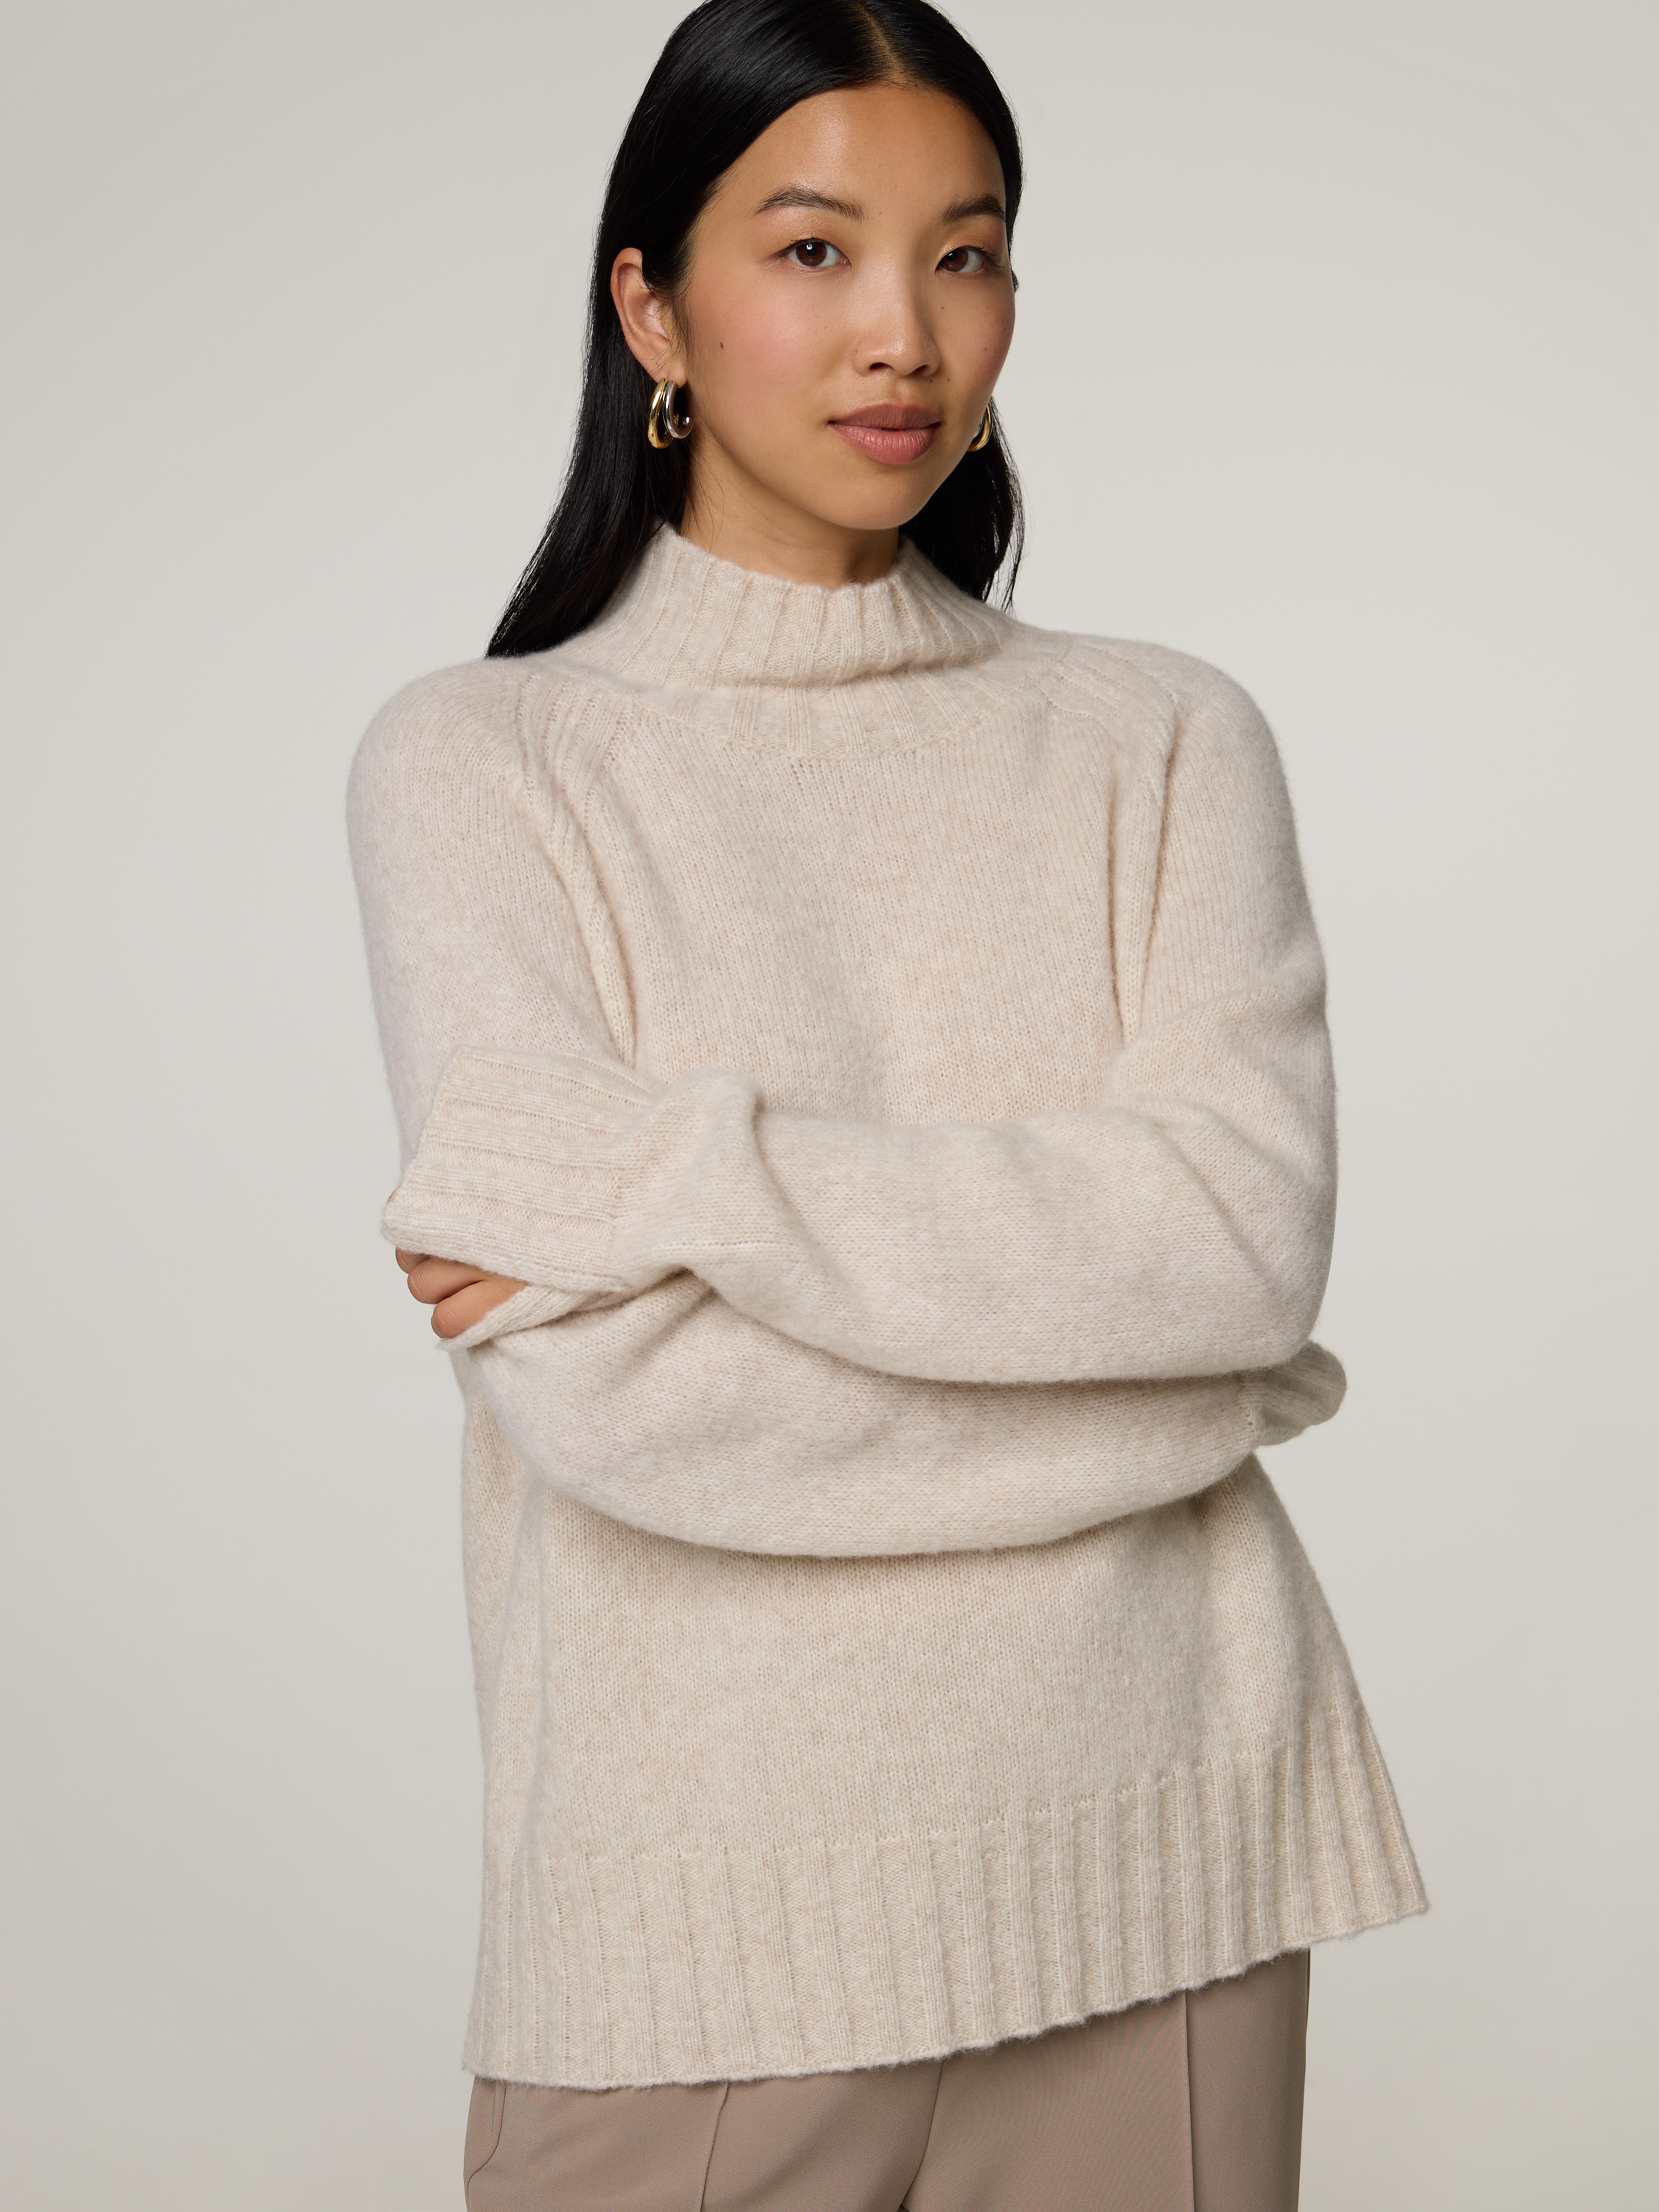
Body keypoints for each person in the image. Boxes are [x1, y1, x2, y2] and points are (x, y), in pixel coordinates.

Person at [347, 2, 1426, 2205]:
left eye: (967, 253)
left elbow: (1237, 1250)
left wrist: (684, 1175)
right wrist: (1175, 1403)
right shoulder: (481, 765)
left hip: (1170, 1863)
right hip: (698, 1914)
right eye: (813, 249)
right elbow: (629, 1406)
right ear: (651, 305)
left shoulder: (1163, 740)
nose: (904, 336)